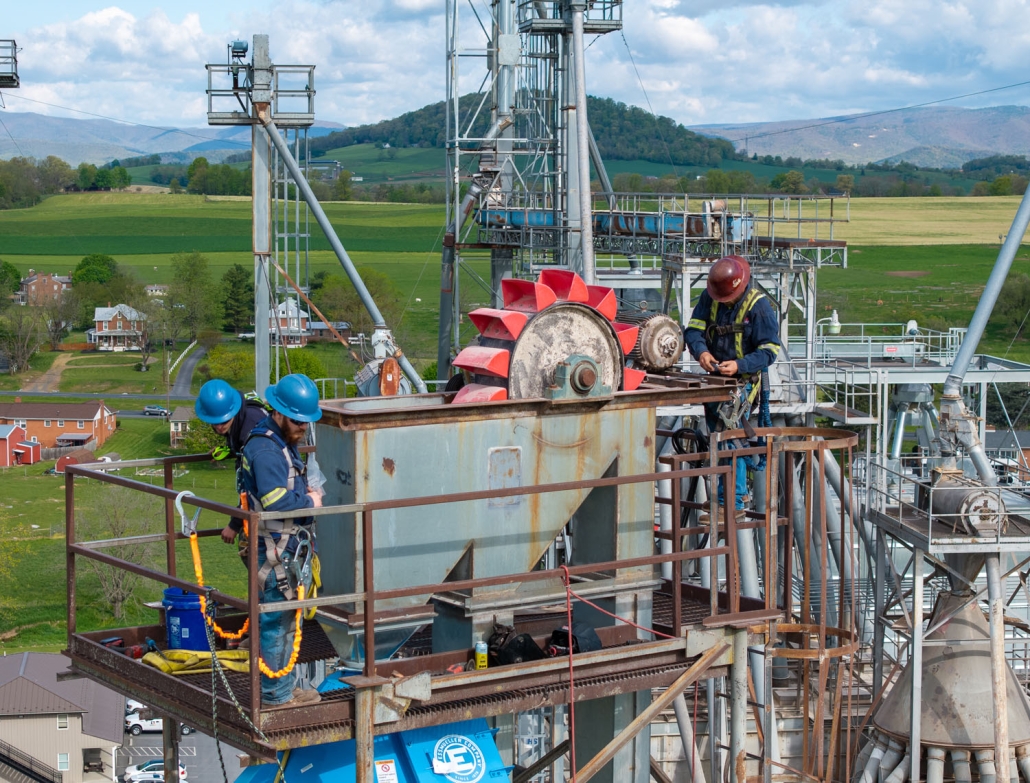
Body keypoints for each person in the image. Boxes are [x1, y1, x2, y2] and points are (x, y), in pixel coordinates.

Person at [240, 373, 324, 707]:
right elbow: (275, 502)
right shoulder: (265, 450)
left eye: (306, 422)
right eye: (297, 420)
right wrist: (311, 503)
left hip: (285, 545)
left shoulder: (279, 442)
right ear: (277, 412)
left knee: (286, 621)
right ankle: (276, 696)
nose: (303, 427)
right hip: (275, 547)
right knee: (276, 623)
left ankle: (285, 688)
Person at [685, 255, 781, 511]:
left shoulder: (759, 307)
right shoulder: (710, 298)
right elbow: (693, 329)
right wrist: (701, 352)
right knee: (718, 436)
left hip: (742, 382)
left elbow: (769, 351)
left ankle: (733, 500)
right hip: (715, 380)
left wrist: (740, 365)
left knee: (731, 436)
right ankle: (724, 495)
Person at [195, 379, 270, 545]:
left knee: (253, 552)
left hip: (269, 501)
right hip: (261, 502)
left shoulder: (250, 429)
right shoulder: (241, 418)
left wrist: (234, 524)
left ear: (233, 412)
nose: (220, 427)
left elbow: (255, 486)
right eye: (215, 423)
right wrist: (230, 449)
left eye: (224, 421)